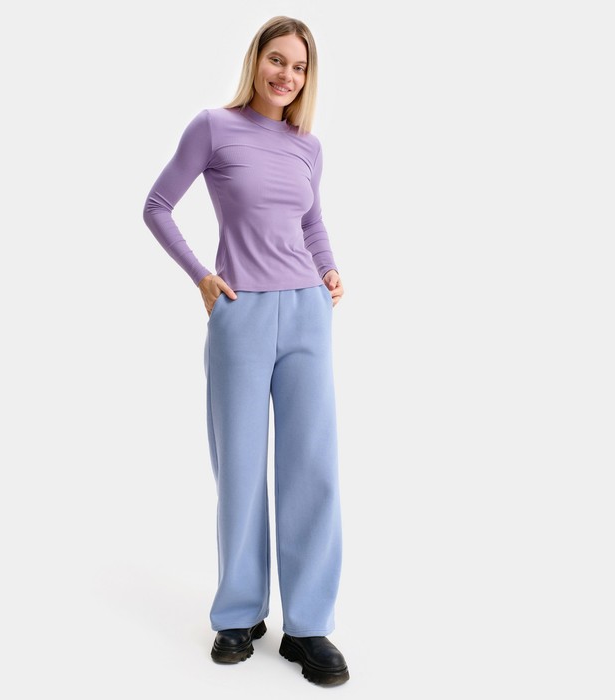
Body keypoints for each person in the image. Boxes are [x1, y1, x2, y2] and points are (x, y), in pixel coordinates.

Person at [142, 16, 349, 686]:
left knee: (312, 468)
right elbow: (157, 205)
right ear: (256, 59)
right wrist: (202, 277)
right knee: (239, 467)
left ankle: (308, 627)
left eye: (299, 66)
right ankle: (238, 614)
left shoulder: (307, 147)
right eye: (277, 59)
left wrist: (328, 268)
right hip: (241, 313)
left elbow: (310, 220)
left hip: (308, 314)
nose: (287, 75)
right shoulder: (213, 127)